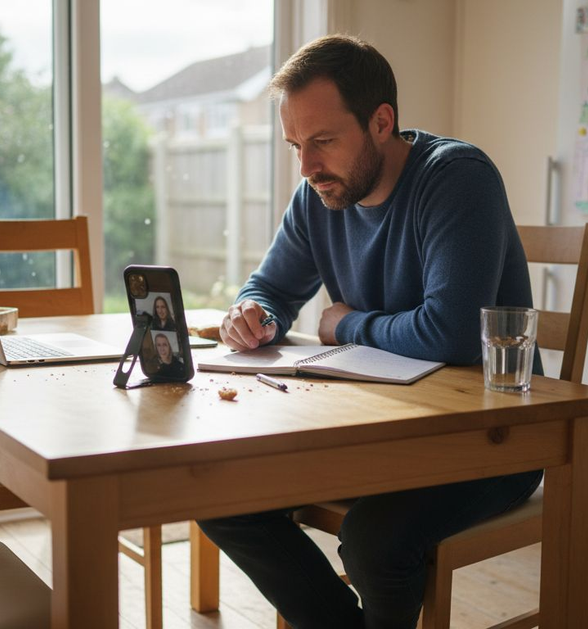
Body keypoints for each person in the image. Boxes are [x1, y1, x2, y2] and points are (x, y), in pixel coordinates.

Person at [196, 35, 542, 629]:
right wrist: (254, 314)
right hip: (378, 435)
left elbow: (453, 334)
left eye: (324, 141)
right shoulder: (319, 195)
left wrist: (343, 323)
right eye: (296, 146)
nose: (306, 167)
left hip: (491, 439)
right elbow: (270, 289)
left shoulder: (457, 178)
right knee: (214, 492)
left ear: (382, 122)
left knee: (375, 540)